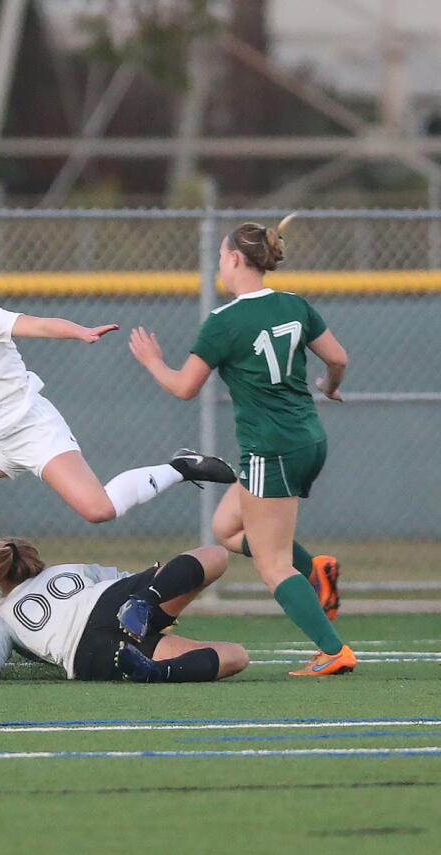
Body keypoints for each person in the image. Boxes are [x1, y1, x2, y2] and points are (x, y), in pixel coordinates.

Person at [0, 221, 236, 589]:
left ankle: (179, 467)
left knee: (98, 510)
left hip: (34, 430)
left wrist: (79, 332)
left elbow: (39, 324)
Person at [128, 215, 354, 677]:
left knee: (272, 565)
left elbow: (184, 387)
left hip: (270, 450)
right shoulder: (294, 304)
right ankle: (316, 571)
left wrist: (152, 362)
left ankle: (333, 650)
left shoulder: (224, 322)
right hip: (309, 439)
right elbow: (338, 358)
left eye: (220, 257)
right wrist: (330, 386)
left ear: (234, 258)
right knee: (228, 528)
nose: (219, 264)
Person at [0, 538, 248, 683]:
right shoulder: (67, 570)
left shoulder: (4, 618)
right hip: (115, 601)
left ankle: (154, 671)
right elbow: (122, 577)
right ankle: (146, 602)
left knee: (235, 656)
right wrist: (156, 595)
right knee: (216, 554)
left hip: (89, 654)